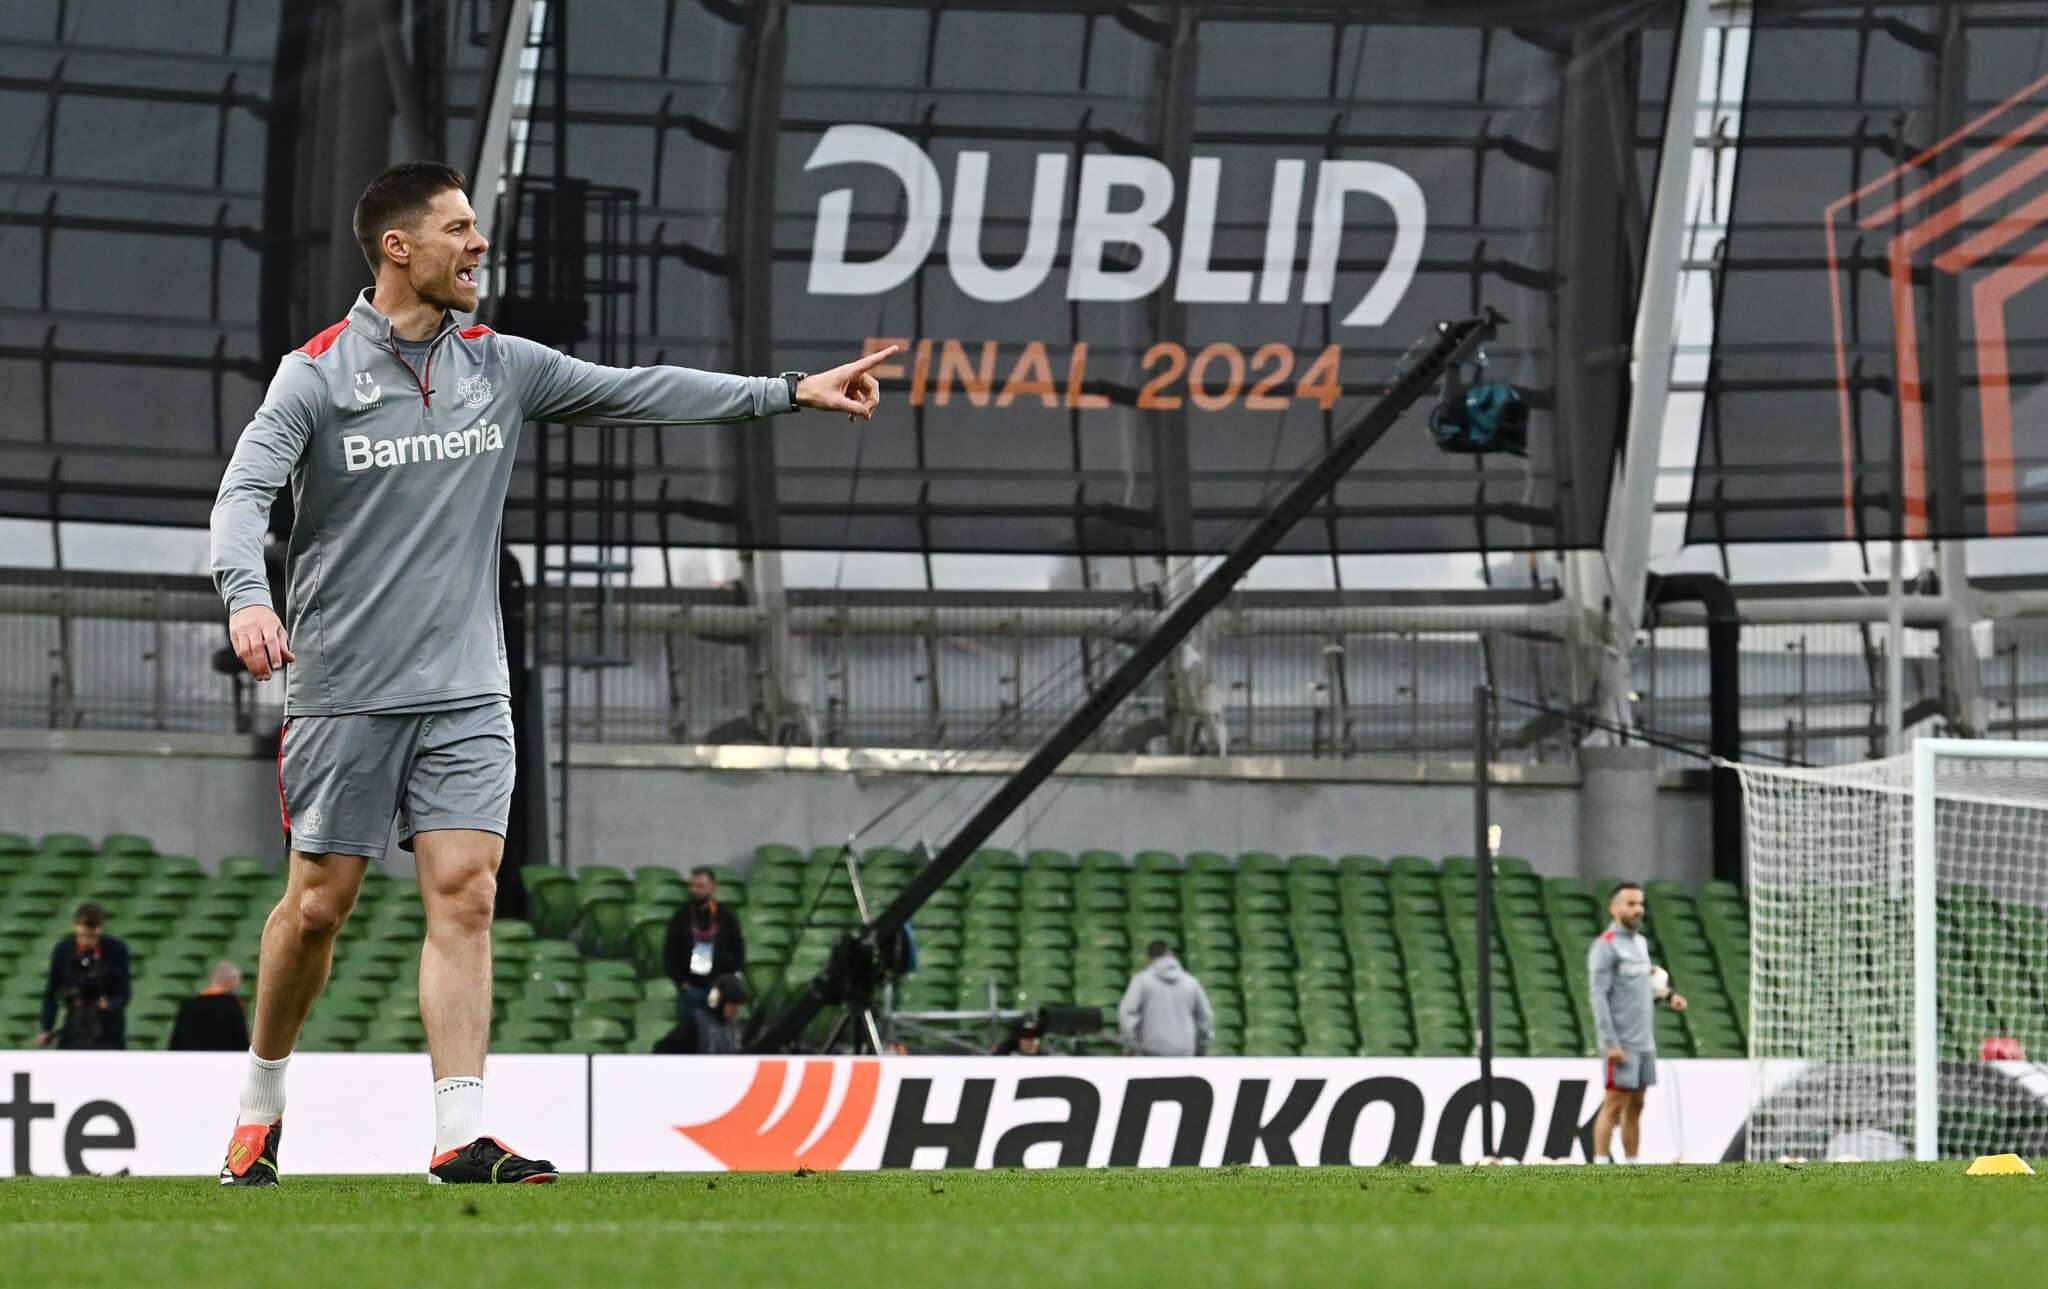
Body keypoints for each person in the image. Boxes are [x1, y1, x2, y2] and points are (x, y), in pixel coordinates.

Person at [208, 160, 892, 1187]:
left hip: (469, 687)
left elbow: (641, 392)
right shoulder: (314, 374)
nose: (479, 245)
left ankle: (458, 1135)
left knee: (468, 894)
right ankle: (260, 1106)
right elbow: (241, 494)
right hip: (344, 688)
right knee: (316, 907)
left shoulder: (503, 364)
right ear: (398, 248)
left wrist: (788, 392)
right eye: (458, 228)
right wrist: (246, 594)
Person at [1587, 881, 1687, 1164]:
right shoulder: (1605, 946)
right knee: (1613, 1102)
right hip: (1621, 1041)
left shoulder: (1640, 944)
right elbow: (1598, 995)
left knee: (1637, 1103)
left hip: (1644, 1041)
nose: (1637, 909)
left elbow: (1645, 983)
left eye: (1640, 903)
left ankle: (1632, 1162)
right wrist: (1609, 1042)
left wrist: (1670, 996)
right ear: (1614, 908)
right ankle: (1601, 1162)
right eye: (1630, 904)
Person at [36, 902, 130, 1050]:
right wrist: (46, 1027)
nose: (87, 941)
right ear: (75, 926)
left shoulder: (117, 950)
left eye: (92, 936)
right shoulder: (63, 951)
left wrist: (109, 1004)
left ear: (101, 928)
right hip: (73, 1028)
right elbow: (51, 992)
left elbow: (124, 993)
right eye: (82, 936)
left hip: (108, 1033)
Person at [663, 867, 745, 1020]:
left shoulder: (726, 916)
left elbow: (738, 949)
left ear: (713, 887)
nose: (694, 890)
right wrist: (681, 983)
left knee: (718, 1034)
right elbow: (670, 952)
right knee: (689, 1037)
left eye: (700, 886)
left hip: (720, 988)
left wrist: (732, 978)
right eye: (692, 885)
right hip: (691, 989)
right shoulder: (681, 916)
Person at [1118, 940, 1214, 1057]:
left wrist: (1132, 1046)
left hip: (1151, 1053)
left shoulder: (1141, 981)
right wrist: (1201, 1048)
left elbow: (1126, 1014)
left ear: (1148, 959)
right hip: (1185, 1052)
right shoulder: (1191, 982)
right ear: (1172, 956)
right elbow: (1206, 1017)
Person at [653, 974, 748, 1055]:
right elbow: (663, 1051)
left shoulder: (735, 1027)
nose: (736, 1010)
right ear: (719, 1001)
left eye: (738, 1006)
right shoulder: (694, 1023)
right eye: (732, 1005)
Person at [170, 961, 252, 1052]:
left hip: (191, 1063)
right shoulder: (233, 1005)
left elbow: (175, 1043)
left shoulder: (189, 1005)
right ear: (229, 981)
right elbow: (241, 1041)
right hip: (222, 1063)